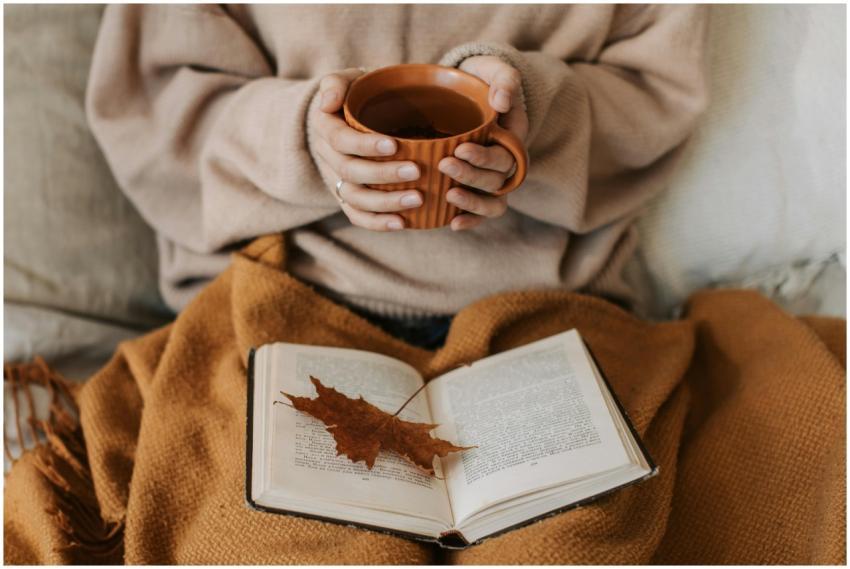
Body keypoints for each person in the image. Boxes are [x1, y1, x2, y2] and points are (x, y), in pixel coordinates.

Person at [87, 5, 708, 349]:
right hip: (284, 298)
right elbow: (155, 113)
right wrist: (305, 137)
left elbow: (656, 94)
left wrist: (534, 112)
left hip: (549, 311)